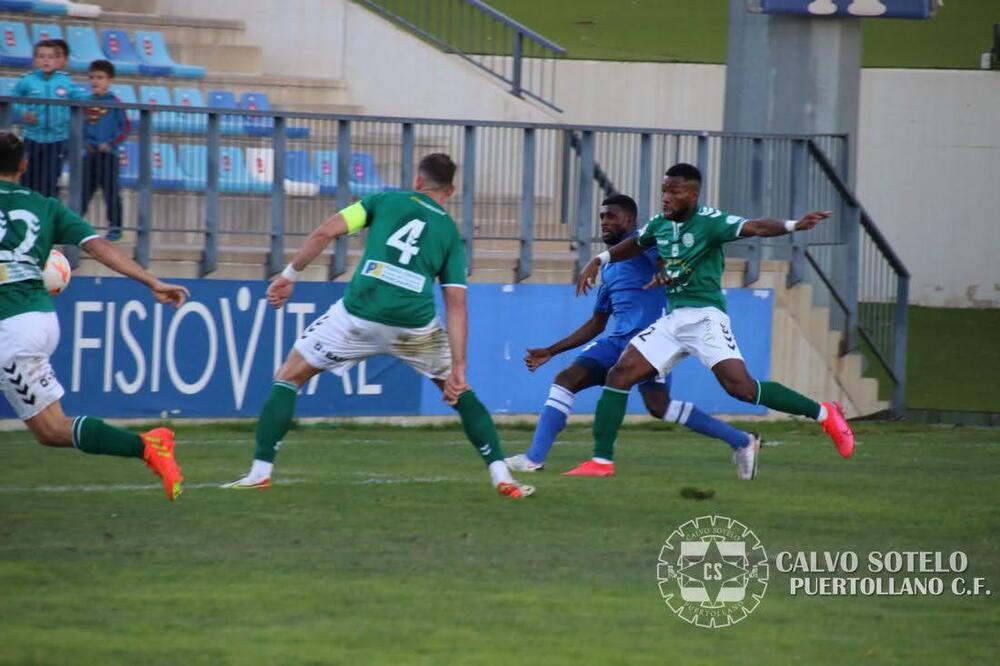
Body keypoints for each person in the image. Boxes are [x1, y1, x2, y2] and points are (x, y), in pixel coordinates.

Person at [224, 153, 534, 499]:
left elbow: (326, 231)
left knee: (289, 376)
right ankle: (501, 474)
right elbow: (456, 303)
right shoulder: (449, 233)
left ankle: (259, 472)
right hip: (414, 327)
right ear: (451, 190)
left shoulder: (384, 200)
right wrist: (459, 366)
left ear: (418, 181)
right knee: (461, 392)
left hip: (358, 315)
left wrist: (289, 275)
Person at [574, 163, 855, 474]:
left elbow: (756, 227)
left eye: (674, 192)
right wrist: (600, 259)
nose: (666, 198)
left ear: (693, 195)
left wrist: (792, 225)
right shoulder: (660, 224)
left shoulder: (711, 222)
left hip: (706, 318)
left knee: (741, 389)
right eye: (664, 191)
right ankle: (601, 462)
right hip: (674, 320)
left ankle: (825, 413)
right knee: (620, 373)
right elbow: (637, 244)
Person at [507, 194, 761, 479]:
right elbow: (597, 322)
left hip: (651, 343)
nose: (604, 222)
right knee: (567, 380)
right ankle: (533, 459)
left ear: (630, 220)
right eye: (602, 217)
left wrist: (666, 271)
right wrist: (551, 350)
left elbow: (669, 258)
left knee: (659, 406)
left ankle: (741, 441)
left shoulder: (645, 244)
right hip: (616, 342)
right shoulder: (611, 267)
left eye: (611, 216)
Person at [0, 132, 190, 501]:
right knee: (49, 430)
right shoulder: (46, 206)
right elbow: (99, 247)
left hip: (10, 328)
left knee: (53, 429)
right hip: (36, 318)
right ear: (23, 166)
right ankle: (149, 445)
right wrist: (151, 281)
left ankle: (148, 446)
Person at [13, 40, 76, 198]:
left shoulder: (65, 81)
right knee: (28, 181)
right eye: (41, 56)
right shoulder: (27, 81)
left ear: (57, 60)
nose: (46, 60)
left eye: (50, 57)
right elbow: (13, 99)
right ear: (35, 60)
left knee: (50, 183)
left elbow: (81, 98)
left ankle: (48, 219)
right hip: (32, 138)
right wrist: (23, 113)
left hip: (57, 140)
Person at [80, 60, 128, 241]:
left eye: (100, 77)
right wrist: (87, 143)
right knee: (84, 192)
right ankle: (75, 225)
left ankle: (115, 227)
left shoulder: (115, 103)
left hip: (108, 155)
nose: (95, 81)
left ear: (109, 80)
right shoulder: (85, 103)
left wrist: (110, 143)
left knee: (111, 192)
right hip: (90, 155)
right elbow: (80, 127)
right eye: (92, 77)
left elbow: (124, 128)